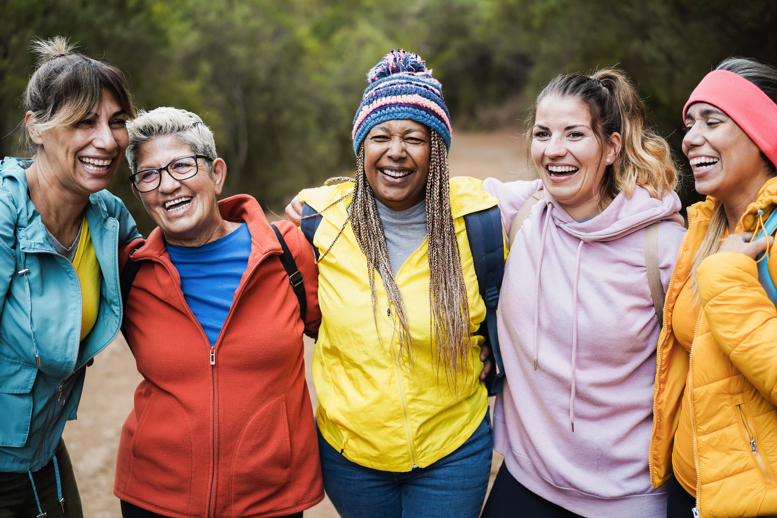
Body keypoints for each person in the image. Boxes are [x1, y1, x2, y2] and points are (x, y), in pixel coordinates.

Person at [285, 50, 496, 518]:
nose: (396, 151)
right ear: (362, 148)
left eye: (414, 138)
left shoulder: (478, 218)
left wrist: (490, 347)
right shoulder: (319, 223)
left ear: (436, 150)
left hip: (452, 448)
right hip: (351, 455)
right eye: (380, 136)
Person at [480, 69, 685, 517]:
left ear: (610, 147)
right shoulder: (524, 211)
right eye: (542, 133)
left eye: (575, 134)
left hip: (628, 496)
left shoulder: (662, 247)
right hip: (528, 480)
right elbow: (422, 198)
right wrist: (322, 205)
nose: (554, 150)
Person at [114, 107, 323, 518]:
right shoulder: (130, 270)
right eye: (149, 175)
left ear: (217, 173)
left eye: (181, 166)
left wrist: (480, 341)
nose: (167, 185)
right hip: (155, 499)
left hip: (270, 500)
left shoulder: (287, 253)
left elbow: (355, 335)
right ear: (138, 193)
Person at [0, 37, 140, 518]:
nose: (107, 140)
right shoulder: (3, 212)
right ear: (36, 127)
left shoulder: (108, 218)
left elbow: (175, 275)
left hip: (43, 456)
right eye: (84, 122)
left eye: (117, 122)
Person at [650, 58, 777, 518]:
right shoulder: (704, 225)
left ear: (761, 133)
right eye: (689, 123)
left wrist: (725, 278)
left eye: (712, 120)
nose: (690, 138)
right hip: (689, 489)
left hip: (753, 502)